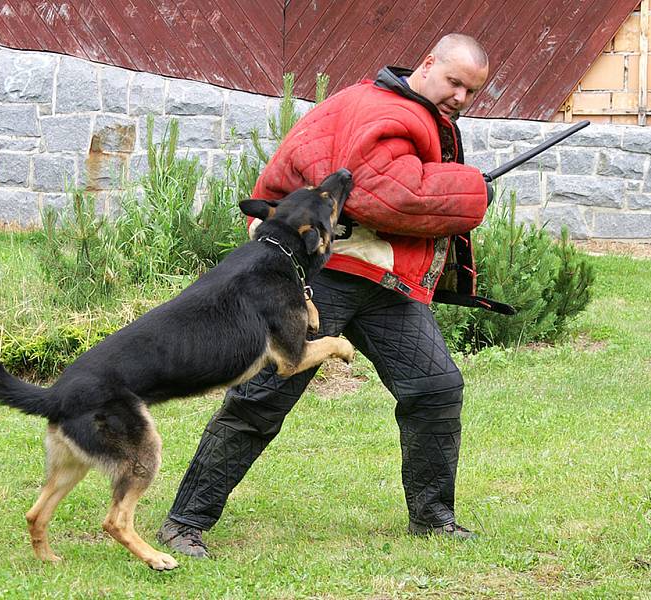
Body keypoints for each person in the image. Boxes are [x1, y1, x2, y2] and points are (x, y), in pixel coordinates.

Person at [157, 33, 512, 558]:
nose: (459, 98)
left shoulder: (404, 110)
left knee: (435, 388)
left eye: (471, 92)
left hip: (383, 284)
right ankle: (184, 523)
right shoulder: (382, 108)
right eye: (454, 82)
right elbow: (380, 190)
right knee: (261, 399)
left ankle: (433, 519)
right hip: (321, 278)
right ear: (428, 63)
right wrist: (470, 188)